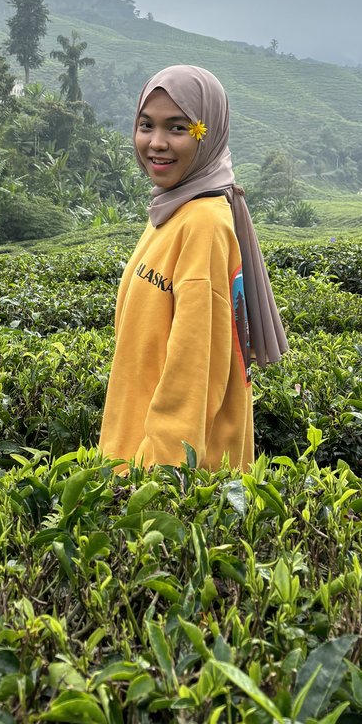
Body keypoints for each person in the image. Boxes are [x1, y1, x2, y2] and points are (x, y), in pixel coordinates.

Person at [98, 65, 287, 470]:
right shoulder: (173, 209)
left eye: (178, 128)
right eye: (146, 125)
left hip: (169, 476)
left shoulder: (203, 224)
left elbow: (194, 372)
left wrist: (156, 478)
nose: (156, 143)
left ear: (208, 133)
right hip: (133, 456)